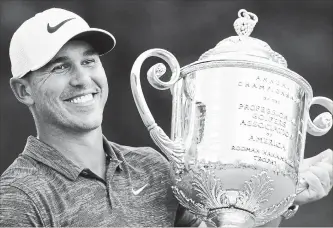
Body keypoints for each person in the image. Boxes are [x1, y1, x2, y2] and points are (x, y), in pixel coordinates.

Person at [0, 8, 332, 227]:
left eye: (89, 61)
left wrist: (278, 193)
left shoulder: (152, 167)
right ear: (23, 90)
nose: (81, 79)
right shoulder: (19, 195)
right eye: (59, 67)